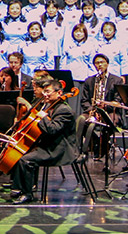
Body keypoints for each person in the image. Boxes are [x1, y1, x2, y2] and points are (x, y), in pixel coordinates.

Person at [9, 75, 77, 204]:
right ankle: (18, 188)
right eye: (44, 91)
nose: (45, 95)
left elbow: (52, 130)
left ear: (59, 93)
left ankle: (28, 194)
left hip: (59, 149)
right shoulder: (50, 106)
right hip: (50, 145)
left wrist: (43, 117)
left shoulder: (64, 110)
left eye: (48, 92)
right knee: (20, 153)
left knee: (26, 160)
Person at [78, 54, 124, 158]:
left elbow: (117, 100)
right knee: (81, 120)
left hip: (110, 111)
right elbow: (84, 101)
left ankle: (103, 145)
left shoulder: (117, 80)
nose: (99, 65)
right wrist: (92, 110)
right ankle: (97, 143)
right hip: (92, 111)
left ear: (107, 64)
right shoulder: (89, 81)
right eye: (97, 63)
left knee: (109, 122)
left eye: (102, 62)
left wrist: (104, 108)